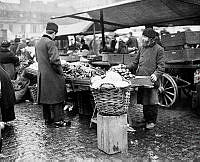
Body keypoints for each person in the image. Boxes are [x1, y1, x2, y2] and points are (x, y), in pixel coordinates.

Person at [127, 28, 165, 129]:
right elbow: (135, 63)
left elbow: (161, 66)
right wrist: (125, 67)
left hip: (152, 80)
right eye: (143, 38)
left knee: (152, 101)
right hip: (141, 79)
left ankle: (151, 121)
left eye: (146, 39)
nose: (143, 40)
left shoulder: (159, 49)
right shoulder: (142, 48)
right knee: (144, 100)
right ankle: (145, 118)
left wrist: (156, 75)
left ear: (152, 39)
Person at [35, 22, 71, 127]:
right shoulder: (50, 42)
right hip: (53, 75)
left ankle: (48, 120)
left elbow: (37, 59)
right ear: (54, 33)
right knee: (57, 97)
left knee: (46, 98)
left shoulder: (38, 43)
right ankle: (58, 120)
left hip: (42, 75)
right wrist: (61, 72)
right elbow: (55, 60)